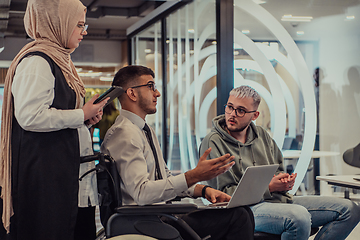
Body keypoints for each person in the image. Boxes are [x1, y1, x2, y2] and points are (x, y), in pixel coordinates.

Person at [100, 65, 255, 240]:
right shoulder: (125, 134)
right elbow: (141, 193)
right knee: (239, 217)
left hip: (161, 215)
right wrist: (193, 176)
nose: (157, 93)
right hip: (146, 221)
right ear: (132, 93)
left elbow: (164, 177)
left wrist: (202, 190)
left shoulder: (145, 130)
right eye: (150, 86)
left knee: (242, 213)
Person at [0, 0, 108, 239]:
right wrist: (81, 114)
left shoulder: (60, 60)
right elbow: (30, 116)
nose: (85, 31)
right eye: (79, 24)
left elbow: (55, 116)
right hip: (47, 182)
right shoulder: (37, 62)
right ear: (57, 23)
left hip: (64, 179)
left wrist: (85, 120)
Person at [200, 85, 360, 240]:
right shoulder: (213, 142)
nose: (232, 114)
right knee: (299, 217)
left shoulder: (262, 135)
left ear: (254, 115)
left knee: (350, 210)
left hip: (277, 201)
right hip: (241, 211)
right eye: (229, 107)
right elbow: (222, 196)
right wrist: (268, 187)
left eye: (240, 110)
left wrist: (283, 181)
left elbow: (276, 171)